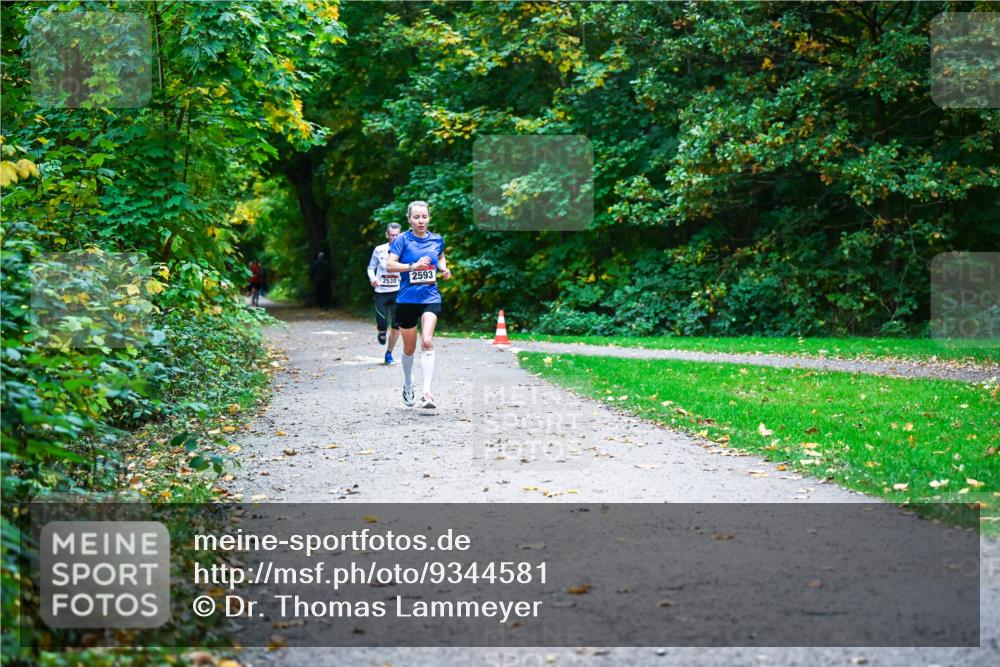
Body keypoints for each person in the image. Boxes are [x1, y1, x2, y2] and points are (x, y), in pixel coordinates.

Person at [386, 201, 452, 409]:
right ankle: (408, 384)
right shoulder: (402, 240)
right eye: (416, 217)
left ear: (429, 218)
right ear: (409, 219)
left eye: (424, 217)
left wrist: (444, 269)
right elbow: (389, 265)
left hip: (430, 297)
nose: (421, 221)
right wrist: (413, 266)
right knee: (409, 348)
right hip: (406, 299)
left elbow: (440, 257)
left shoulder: (437, 239)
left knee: (427, 340)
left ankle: (427, 393)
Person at [366, 223, 402, 365]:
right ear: (387, 235)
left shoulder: (405, 250)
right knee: (382, 323)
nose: (394, 237)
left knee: (396, 324)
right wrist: (373, 278)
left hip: (398, 292)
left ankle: (389, 354)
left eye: (397, 235)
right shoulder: (379, 250)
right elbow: (370, 268)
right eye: (392, 235)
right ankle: (381, 331)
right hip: (381, 292)